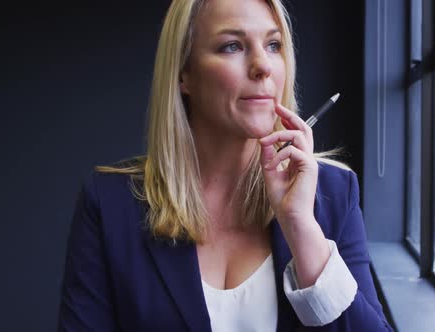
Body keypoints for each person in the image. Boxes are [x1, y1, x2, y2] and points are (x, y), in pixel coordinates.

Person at [57, 0, 393, 331]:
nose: (263, 66)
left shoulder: (333, 193)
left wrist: (300, 227)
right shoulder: (109, 203)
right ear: (183, 74)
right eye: (232, 46)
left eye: (273, 44)